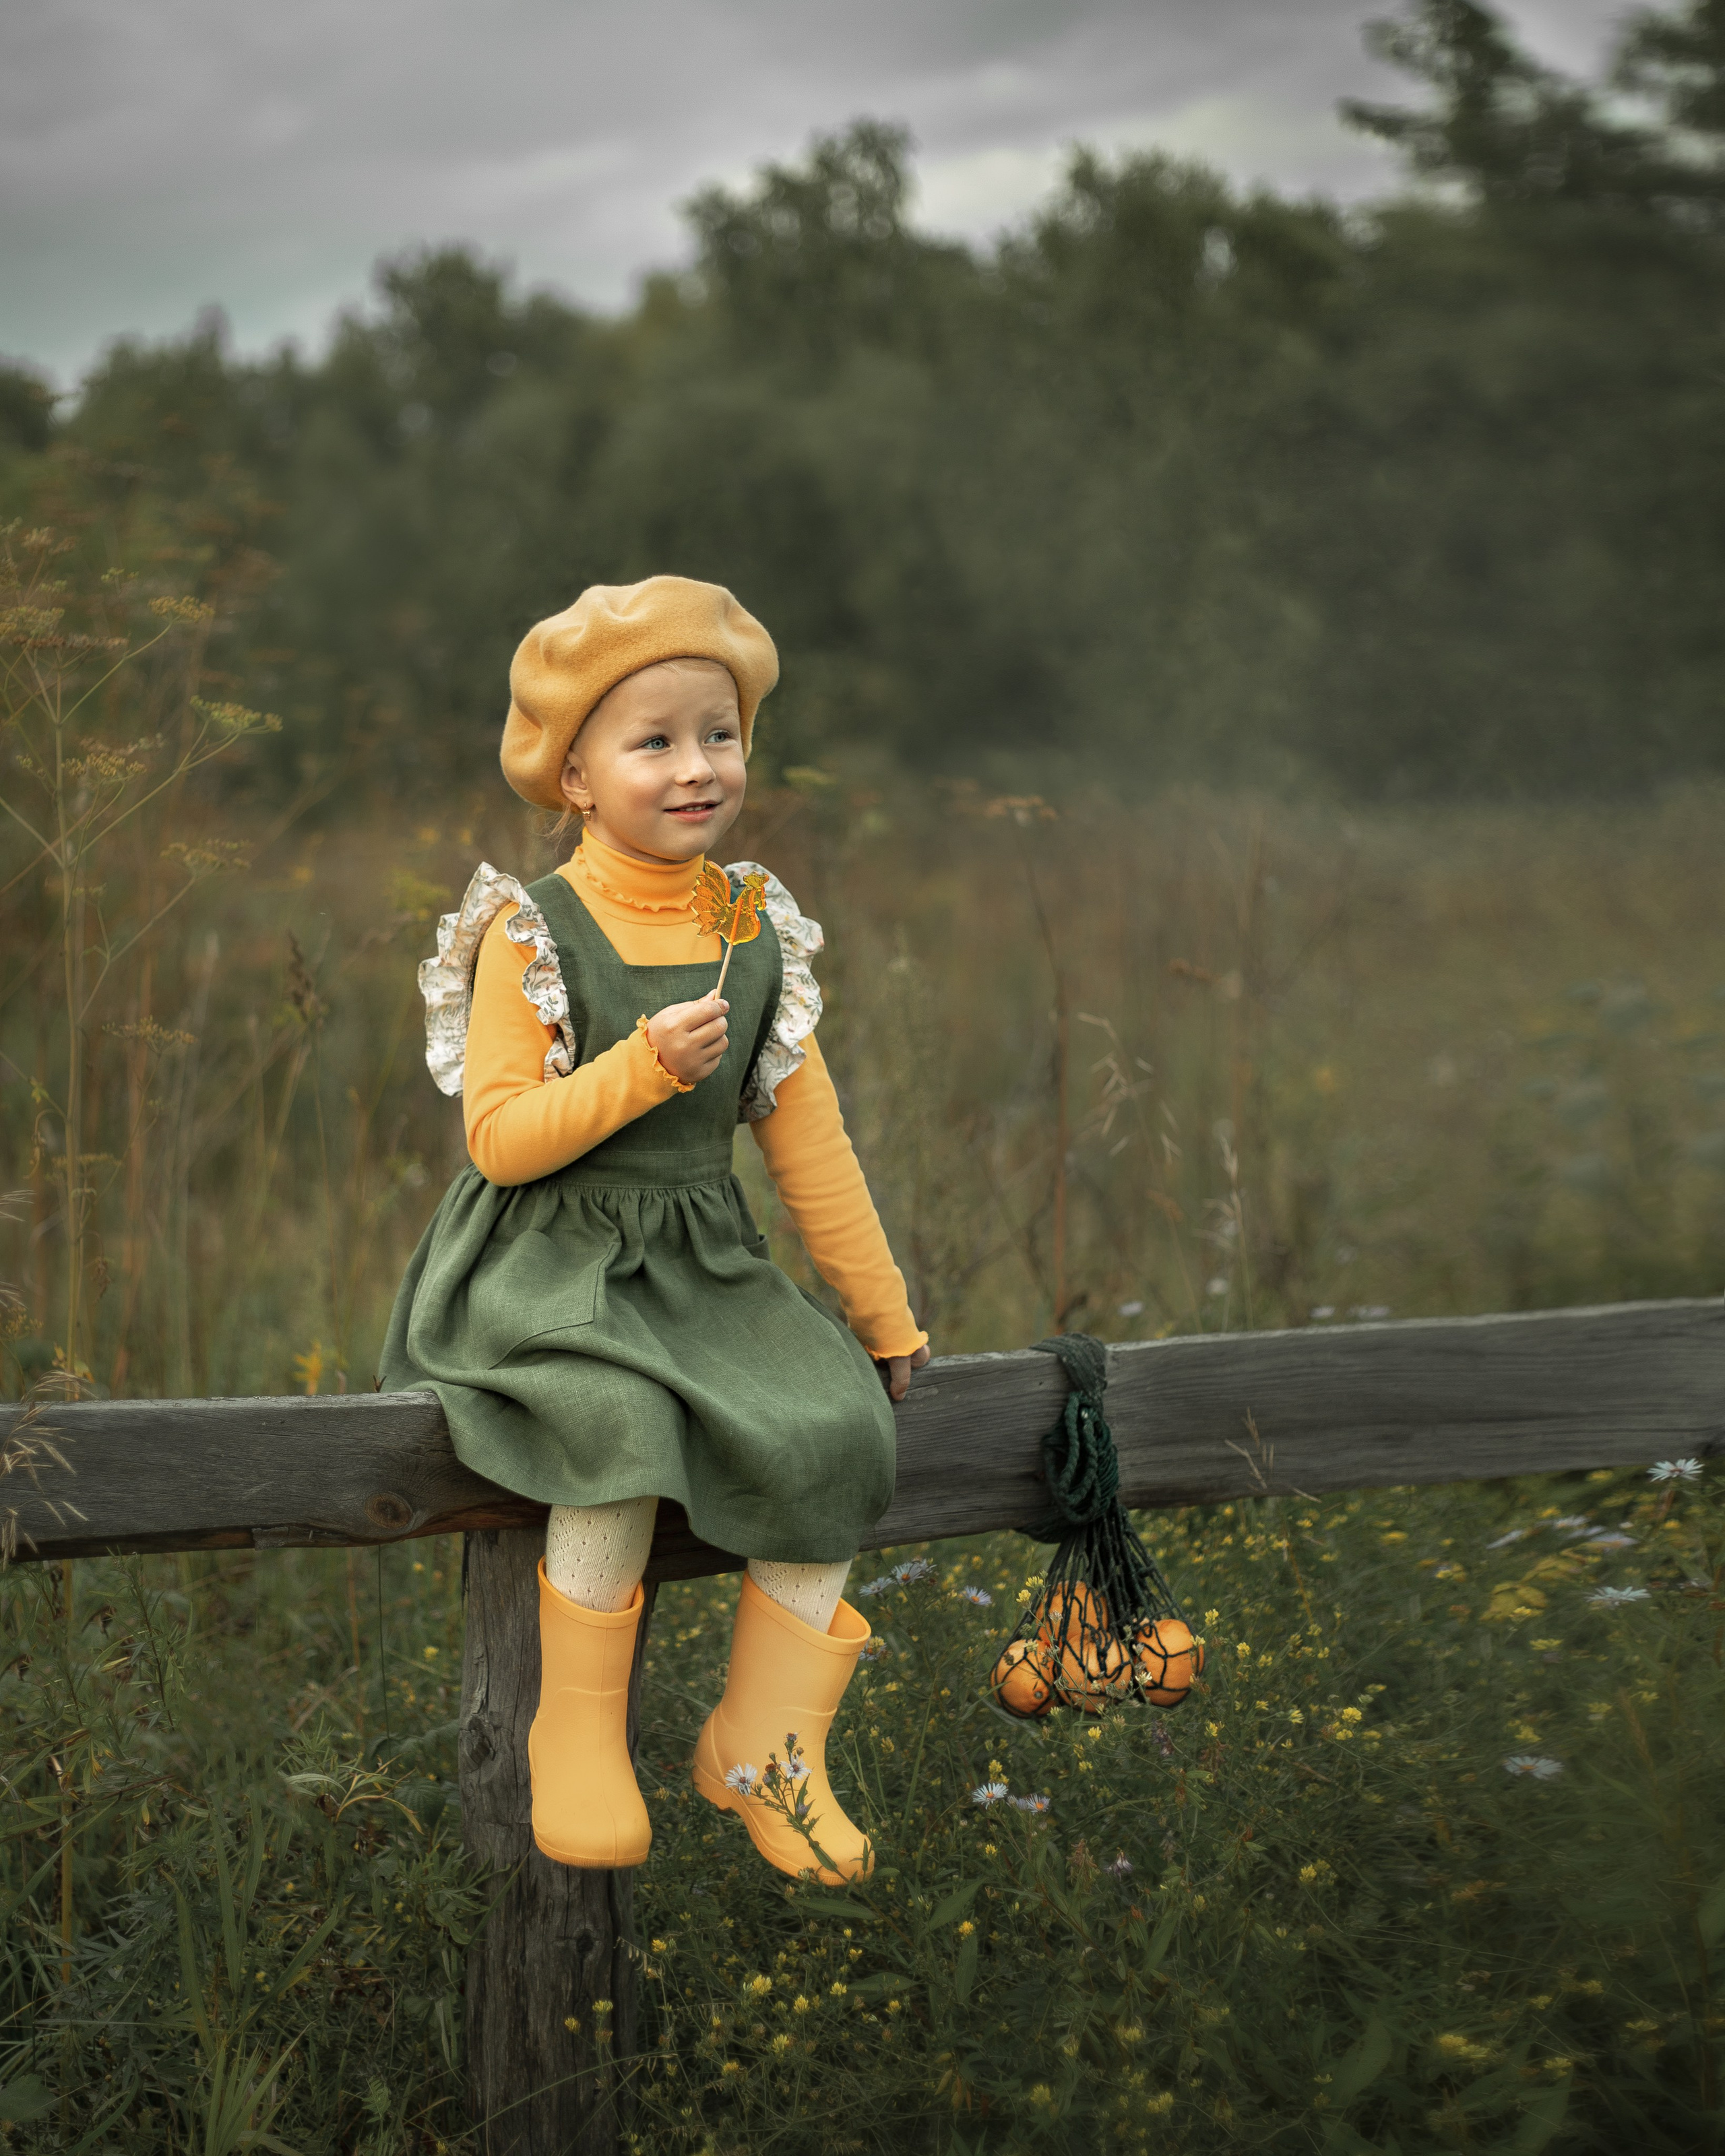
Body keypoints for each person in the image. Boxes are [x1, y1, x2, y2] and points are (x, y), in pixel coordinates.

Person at [381, 575, 929, 1886]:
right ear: (571, 773)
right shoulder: (533, 929)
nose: (697, 768)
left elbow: (809, 1142)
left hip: (696, 1259)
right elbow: (500, 1138)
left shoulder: (751, 930)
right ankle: (573, 1738)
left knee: (837, 1422)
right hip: (547, 1261)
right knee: (615, 1431)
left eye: (719, 734)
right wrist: (638, 1067)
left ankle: (764, 1745)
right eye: (654, 741)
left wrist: (880, 1311)